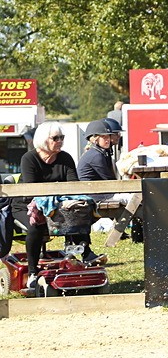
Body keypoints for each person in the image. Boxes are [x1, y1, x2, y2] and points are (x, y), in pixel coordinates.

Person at [20, 123, 95, 287]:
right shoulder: (29, 159)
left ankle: (86, 252)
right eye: (55, 138)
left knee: (77, 213)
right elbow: (31, 189)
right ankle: (33, 272)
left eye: (62, 137)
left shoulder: (65, 158)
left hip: (58, 204)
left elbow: (73, 185)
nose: (60, 141)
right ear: (43, 140)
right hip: (27, 205)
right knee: (36, 226)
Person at [77, 119, 134, 209]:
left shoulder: (99, 152)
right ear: (95, 139)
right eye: (104, 137)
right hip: (97, 196)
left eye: (108, 137)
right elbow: (108, 179)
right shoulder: (96, 156)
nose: (107, 140)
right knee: (133, 199)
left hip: (100, 193)